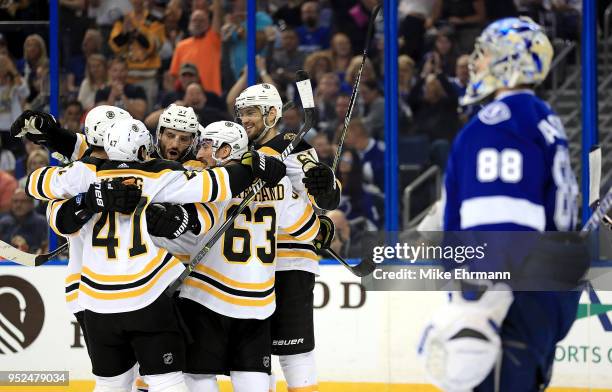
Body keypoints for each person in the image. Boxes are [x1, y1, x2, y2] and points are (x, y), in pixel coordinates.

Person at [25, 117, 286, 392]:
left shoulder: (82, 176)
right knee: (168, 380)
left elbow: (41, 192)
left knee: (110, 383)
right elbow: (216, 183)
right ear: (142, 149)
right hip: (146, 297)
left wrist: (88, 199)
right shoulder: (157, 176)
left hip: (95, 300)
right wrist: (250, 166)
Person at [418, 17, 581, 391]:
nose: (477, 63)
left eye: (486, 54)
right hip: (541, 300)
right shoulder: (542, 118)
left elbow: (502, 230)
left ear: (511, 61)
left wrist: (476, 307)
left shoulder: (498, 124)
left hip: (510, 307)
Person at [234, 82, 341, 391]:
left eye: (251, 112)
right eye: (242, 113)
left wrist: (326, 187)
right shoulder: (242, 151)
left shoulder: (293, 145)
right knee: (255, 355)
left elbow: (323, 194)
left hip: (290, 261)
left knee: (295, 352)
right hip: (250, 266)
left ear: (272, 114)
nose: (245, 120)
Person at [109, 0, 165, 110]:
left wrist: (135, 32)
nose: (137, 2)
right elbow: (115, 45)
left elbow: (153, 46)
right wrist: (125, 32)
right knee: (123, 112)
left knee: (145, 112)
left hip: (147, 77)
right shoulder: (123, 20)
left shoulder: (154, 21)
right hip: (126, 78)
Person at [169, 0, 223, 97]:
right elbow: (174, 75)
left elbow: (217, 14)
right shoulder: (181, 46)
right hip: (186, 96)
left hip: (210, 95)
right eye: (195, 20)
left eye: (202, 20)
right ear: (189, 23)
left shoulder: (213, 40)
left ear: (208, 24)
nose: (198, 23)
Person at [0, 188, 47, 253]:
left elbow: (45, 249)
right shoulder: (4, 222)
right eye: (15, 201)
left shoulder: (41, 222)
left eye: (23, 201)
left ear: (32, 204)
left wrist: (27, 248)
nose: (18, 205)